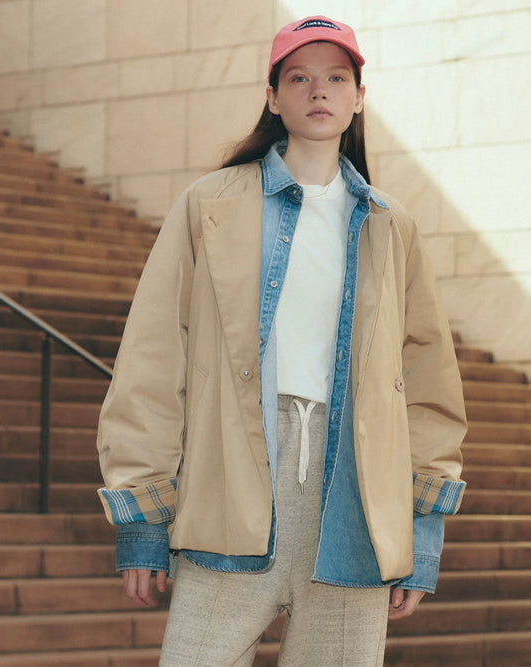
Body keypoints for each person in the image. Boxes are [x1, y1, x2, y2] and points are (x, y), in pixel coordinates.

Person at [96, 16, 467, 666]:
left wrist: (421, 531)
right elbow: (152, 363)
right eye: (298, 78)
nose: (318, 91)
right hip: (229, 498)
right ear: (272, 96)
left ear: (358, 97)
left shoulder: (391, 227)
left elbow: (428, 386)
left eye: (336, 78)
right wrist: (143, 520)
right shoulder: (209, 205)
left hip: (354, 513)